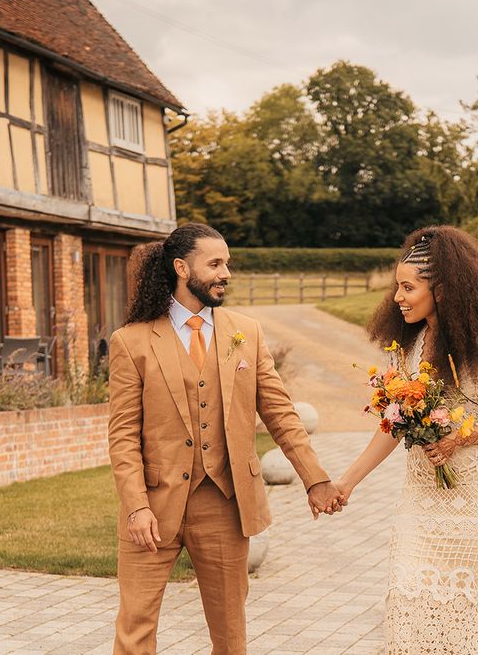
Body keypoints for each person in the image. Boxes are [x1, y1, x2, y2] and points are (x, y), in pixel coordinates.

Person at [107, 223, 344, 655]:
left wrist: (316, 479)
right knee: (135, 631)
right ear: (182, 267)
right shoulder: (132, 342)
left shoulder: (246, 332)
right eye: (215, 263)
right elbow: (122, 436)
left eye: (227, 263)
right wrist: (137, 506)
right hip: (153, 507)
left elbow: (280, 414)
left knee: (230, 636)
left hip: (224, 502)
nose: (225, 273)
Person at [336, 225, 478, 654]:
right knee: (412, 603)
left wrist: (468, 437)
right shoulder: (404, 350)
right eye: (396, 288)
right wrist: (346, 482)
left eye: (408, 287)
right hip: (422, 501)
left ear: (441, 288)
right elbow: (392, 425)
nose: (398, 298)